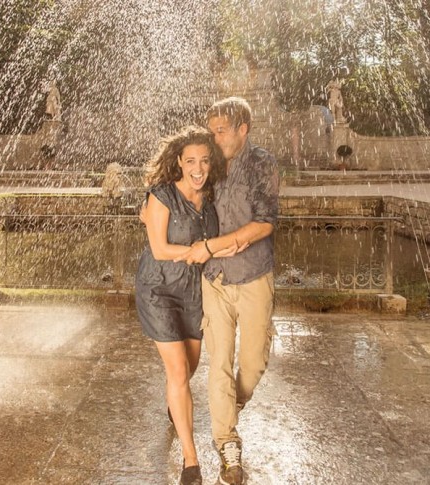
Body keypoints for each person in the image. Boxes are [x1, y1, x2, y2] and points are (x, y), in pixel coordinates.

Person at [177, 97, 279, 485]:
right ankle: (227, 444)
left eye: (221, 130)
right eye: (212, 129)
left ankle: (227, 407)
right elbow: (180, 182)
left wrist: (217, 243)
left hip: (253, 276)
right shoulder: (210, 163)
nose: (214, 136)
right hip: (215, 279)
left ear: (242, 130)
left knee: (251, 365)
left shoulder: (262, 165)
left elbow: (265, 223)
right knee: (218, 362)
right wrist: (154, 202)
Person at [136, 125, 242, 485]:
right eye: (191, 161)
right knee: (179, 371)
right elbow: (160, 250)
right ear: (179, 162)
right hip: (159, 290)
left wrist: (228, 247)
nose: (198, 169)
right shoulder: (162, 196)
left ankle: (174, 401)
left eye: (204, 162)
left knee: (188, 368)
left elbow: (218, 240)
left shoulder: (209, 199)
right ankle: (190, 461)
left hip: (194, 293)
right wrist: (201, 250)